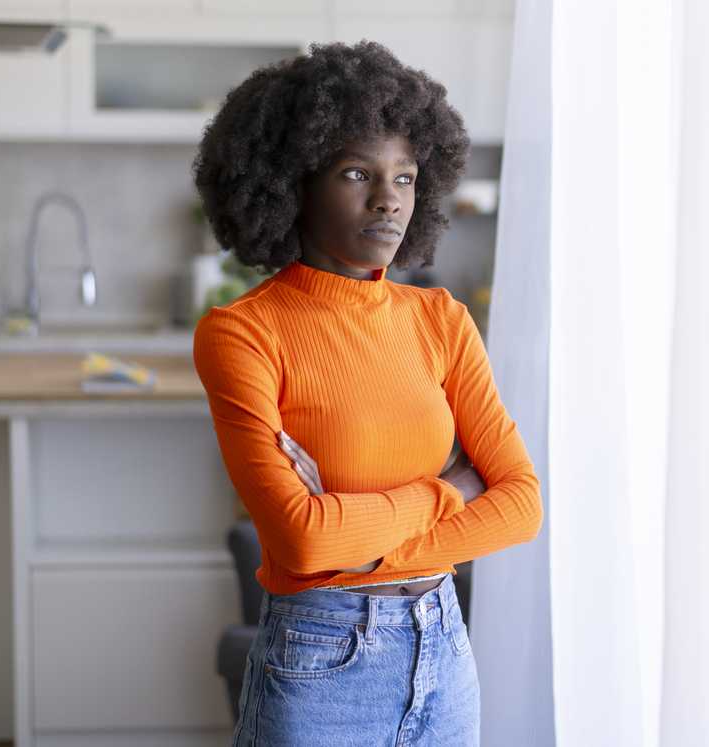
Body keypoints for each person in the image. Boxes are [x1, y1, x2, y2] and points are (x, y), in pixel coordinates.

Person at [191, 39, 543, 746]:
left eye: (406, 177)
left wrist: (352, 533)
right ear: (295, 182)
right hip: (321, 667)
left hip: (444, 653)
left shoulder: (439, 319)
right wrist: (449, 490)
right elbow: (300, 535)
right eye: (358, 173)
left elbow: (521, 505)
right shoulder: (242, 334)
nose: (389, 201)